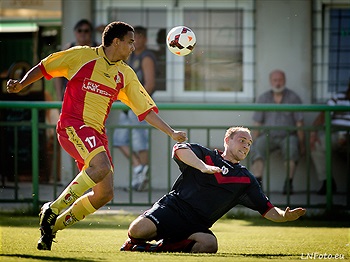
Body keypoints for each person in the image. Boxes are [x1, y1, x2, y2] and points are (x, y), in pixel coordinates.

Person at [6, 21, 187, 251]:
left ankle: (51, 227)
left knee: (104, 193)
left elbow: (145, 110)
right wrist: (22, 84)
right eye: (130, 42)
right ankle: (53, 209)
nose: (133, 47)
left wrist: (170, 132)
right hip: (73, 125)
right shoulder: (81, 56)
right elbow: (45, 66)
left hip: (96, 134)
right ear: (116, 42)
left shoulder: (125, 74)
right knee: (101, 167)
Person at [120, 126, 306, 253]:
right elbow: (178, 149)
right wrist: (203, 167)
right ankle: (135, 242)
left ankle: (152, 249)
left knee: (210, 244)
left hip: (196, 225)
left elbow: (267, 209)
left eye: (249, 144)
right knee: (137, 230)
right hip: (173, 208)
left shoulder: (246, 179)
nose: (246, 146)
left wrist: (284, 216)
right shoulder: (207, 155)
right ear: (227, 140)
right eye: (242, 140)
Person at [113, 26, 157, 191]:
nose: (136, 41)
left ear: (145, 38)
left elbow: (150, 85)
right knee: (119, 140)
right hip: (127, 106)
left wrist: (137, 103)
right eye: (133, 38)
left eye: (139, 37)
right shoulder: (129, 56)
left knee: (140, 142)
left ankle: (141, 178)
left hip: (139, 107)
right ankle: (139, 167)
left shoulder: (146, 57)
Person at [250, 70, 305, 194]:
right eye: (275, 80)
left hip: (288, 135)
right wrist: (251, 142)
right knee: (257, 147)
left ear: (284, 81)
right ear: (270, 81)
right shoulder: (264, 98)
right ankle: (258, 185)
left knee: (292, 148)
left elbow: (299, 123)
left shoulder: (293, 97)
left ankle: (288, 184)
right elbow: (257, 123)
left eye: (280, 80)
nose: (278, 83)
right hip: (268, 135)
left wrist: (302, 144)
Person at [310, 83, 350, 195]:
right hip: (336, 134)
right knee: (317, 145)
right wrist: (313, 133)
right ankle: (328, 183)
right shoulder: (338, 98)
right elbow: (324, 114)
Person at [55, 19, 98, 100]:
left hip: (92, 97)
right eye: (80, 30)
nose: (83, 34)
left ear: (91, 33)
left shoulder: (98, 49)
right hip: (72, 96)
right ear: (75, 32)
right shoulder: (68, 49)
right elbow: (58, 75)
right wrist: (59, 97)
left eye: (86, 31)